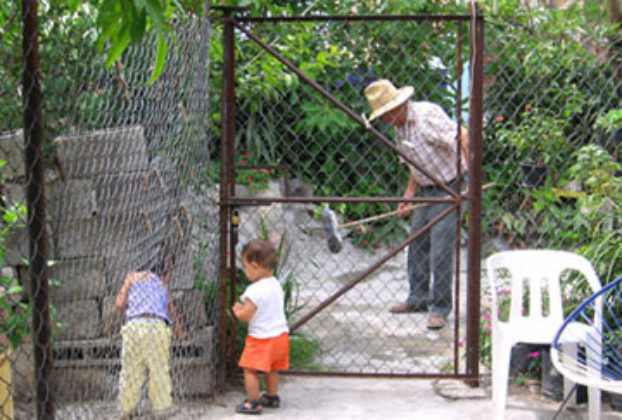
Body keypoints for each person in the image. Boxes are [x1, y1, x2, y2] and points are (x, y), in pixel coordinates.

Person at [364, 79, 468, 330]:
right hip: (426, 188)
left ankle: (440, 307)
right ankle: (418, 298)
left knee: (441, 245)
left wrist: (471, 180)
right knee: (417, 241)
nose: (385, 121)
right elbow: (415, 164)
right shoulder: (400, 128)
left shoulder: (426, 117)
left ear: (397, 107)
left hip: (452, 184)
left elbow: (463, 136)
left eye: (386, 115)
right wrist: (408, 196)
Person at [115, 251, 185, 419]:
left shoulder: (132, 278)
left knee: (130, 371)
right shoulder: (161, 283)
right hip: (157, 327)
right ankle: (161, 410)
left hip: (134, 326)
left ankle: (126, 409)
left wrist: (130, 311)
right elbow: (171, 311)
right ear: (166, 273)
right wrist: (179, 331)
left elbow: (119, 303)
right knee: (159, 370)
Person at [232, 239, 289, 415]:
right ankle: (272, 396)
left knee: (250, 369)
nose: (245, 271)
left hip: (261, 338)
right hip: (280, 336)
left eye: (245, 267)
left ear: (255, 266)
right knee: (272, 368)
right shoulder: (276, 284)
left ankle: (254, 402)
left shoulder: (254, 291)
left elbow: (246, 315)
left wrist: (237, 310)